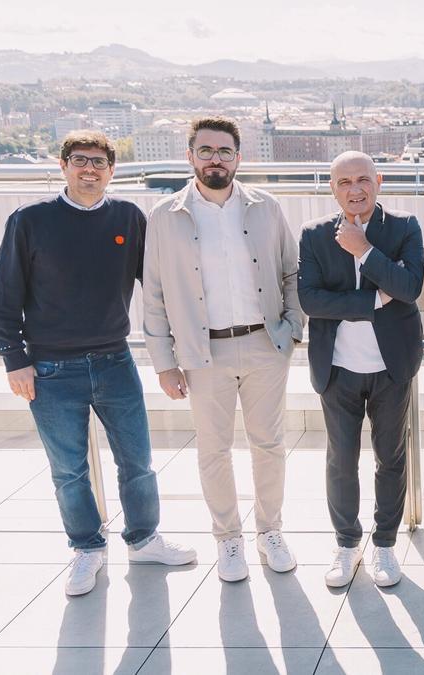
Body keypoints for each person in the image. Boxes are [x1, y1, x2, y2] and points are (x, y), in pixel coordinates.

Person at [0, 130, 196, 596]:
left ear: (111, 171)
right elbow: (0, 298)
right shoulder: (30, 220)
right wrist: (14, 360)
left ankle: (143, 540)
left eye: (99, 162)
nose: (89, 169)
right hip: (50, 368)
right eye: (79, 160)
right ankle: (86, 549)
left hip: (114, 360)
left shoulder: (127, 216)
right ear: (63, 166)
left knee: (137, 461)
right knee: (69, 469)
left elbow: (157, 284)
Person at [143, 116, 305, 583]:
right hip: (202, 353)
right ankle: (228, 539)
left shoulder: (265, 207)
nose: (216, 159)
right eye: (207, 150)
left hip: (264, 344)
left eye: (225, 151)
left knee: (269, 445)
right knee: (213, 449)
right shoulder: (164, 217)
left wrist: (293, 328)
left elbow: (291, 272)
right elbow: (153, 295)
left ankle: (270, 532)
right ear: (190, 155)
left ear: (239, 157)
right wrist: (164, 363)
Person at [298, 151, 424, 589]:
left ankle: (385, 544)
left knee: (391, 458)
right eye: (345, 182)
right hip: (337, 369)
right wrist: (372, 301)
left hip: (392, 368)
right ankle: (347, 544)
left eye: (363, 180)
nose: (355, 189)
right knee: (341, 460)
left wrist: (365, 251)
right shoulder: (314, 235)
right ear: (333, 189)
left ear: (379, 181)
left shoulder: (405, 227)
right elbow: (311, 301)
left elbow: (409, 288)